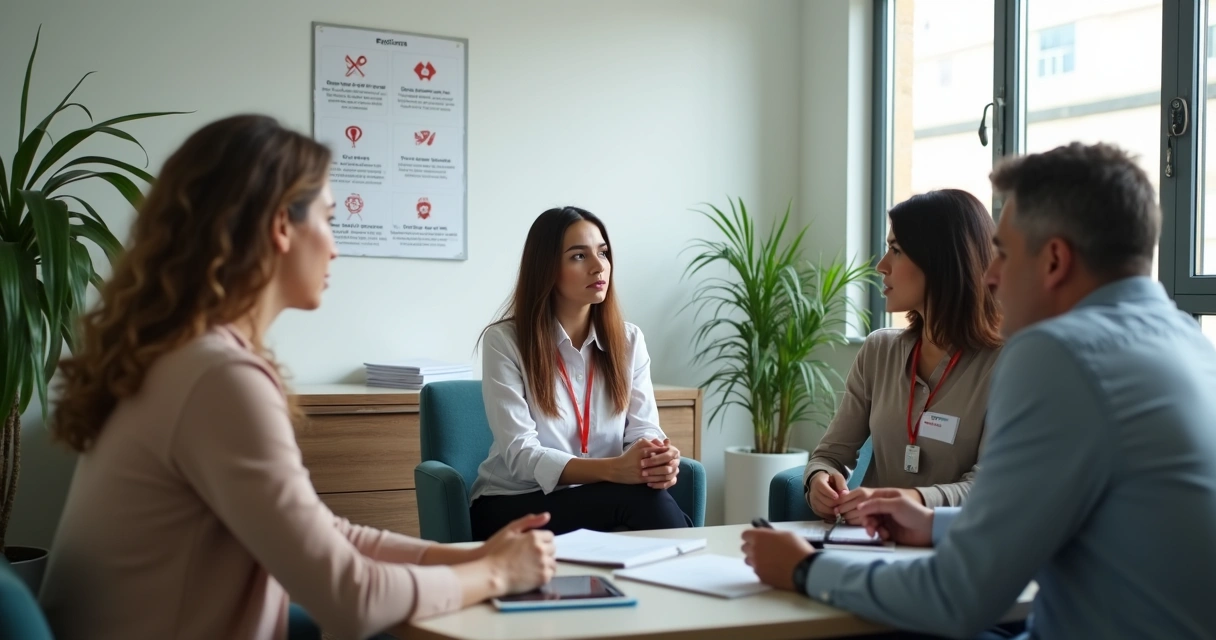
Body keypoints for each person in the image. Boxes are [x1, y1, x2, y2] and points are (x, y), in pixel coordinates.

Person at [39, 115, 557, 640]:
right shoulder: (218, 379)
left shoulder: (182, 357)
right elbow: (351, 598)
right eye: (329, 219)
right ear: (281, 226)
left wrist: (468, 556)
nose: (335, 246)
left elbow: (325, 534)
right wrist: (496, 574)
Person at [742, 142, 1216, 639]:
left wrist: (804, 569)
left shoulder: (1058, 354)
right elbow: (1047, 519)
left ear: (1055, 260)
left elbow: (958, 597)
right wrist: (933, 525)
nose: (989, 275)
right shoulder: (1187, 341)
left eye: (1004, 254)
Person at [469, 206, 690, 541]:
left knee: (649, 497)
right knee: (642, 502)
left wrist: (654, 459)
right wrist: (615, 469)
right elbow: (521, 455)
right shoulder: (505, 341)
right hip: (514, 501)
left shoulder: (629, 341)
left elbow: (644, 431)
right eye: (578, 256)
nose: (598, 266)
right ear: (546, 268)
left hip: (603, 495)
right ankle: (698, 563)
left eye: (603, 253)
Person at [805, 189, 1002, 524]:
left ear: (941, 261)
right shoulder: (878, 350)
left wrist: (910, 502)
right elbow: (830, 455)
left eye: (895, 250)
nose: (881, 266)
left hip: (952, 543)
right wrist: (818, 481)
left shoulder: (1007, 363)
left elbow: (991, 485)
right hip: (867, 540)